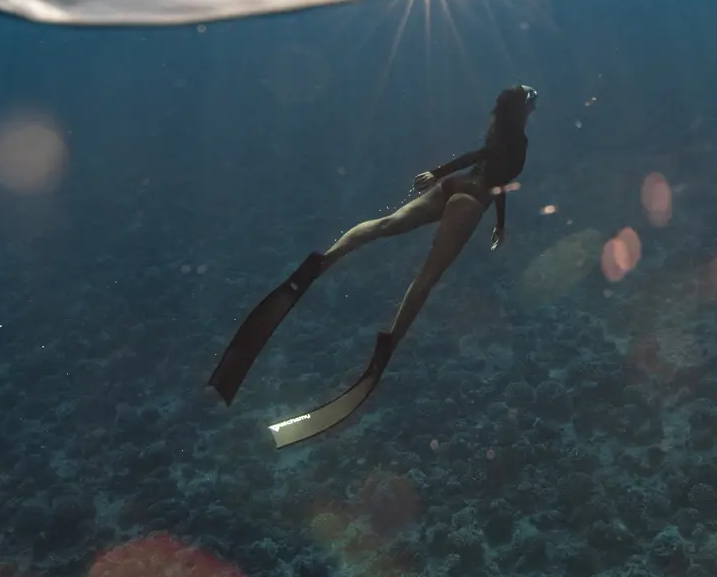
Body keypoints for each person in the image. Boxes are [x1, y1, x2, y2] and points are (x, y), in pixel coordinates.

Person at [206, 84, 539, 448]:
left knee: (386, 224)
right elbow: (493, 171)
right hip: (470, 199)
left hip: (456, 187)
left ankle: (322, 262)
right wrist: (443, 173)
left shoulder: (499, 131)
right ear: (523, 110)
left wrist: (480, 207)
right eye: (531, 100)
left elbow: (493, 170)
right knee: (427, 277)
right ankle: (388, 346)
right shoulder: (517, 142)